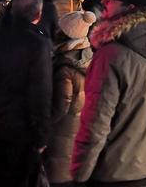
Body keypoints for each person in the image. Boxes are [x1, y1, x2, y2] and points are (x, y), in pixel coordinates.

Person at [71, 0, 146, 186]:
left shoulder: (111, 56)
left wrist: (79, 174)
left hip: (112, 173)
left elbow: (95, 126)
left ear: (129, 8)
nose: (105, 3)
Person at [0, 0, 52, 187]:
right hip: (22, 125)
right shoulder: (37, 44)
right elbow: (40, 91)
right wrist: (41, 135)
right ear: (38, 15)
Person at [45, 10, 97, 187]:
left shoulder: (64, 66)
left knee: (59, 178)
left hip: (62, 134)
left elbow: (61, 106)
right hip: (81, 129)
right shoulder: (89, 57)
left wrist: (43, 128)